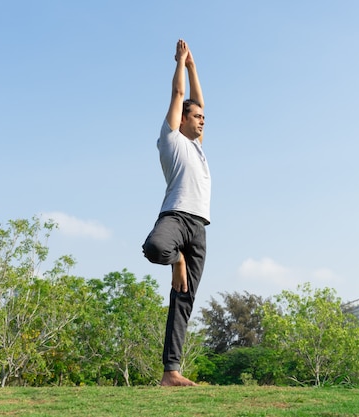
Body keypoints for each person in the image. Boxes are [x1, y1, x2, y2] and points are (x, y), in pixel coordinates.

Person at [142, 39, 210, 387]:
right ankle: (177, 260)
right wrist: (181, 63)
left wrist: (196, 67)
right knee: (156, 248)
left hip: (199, 228)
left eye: (203, 117)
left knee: (183, 299)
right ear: (181, 119)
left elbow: (197, 98)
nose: (202, 121)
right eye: (196, 116)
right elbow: (178, 92)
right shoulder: (171, 139)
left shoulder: (197, 148)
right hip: (175, 217)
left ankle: (171, 372)